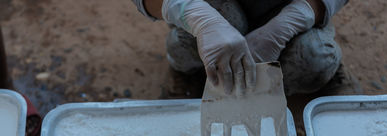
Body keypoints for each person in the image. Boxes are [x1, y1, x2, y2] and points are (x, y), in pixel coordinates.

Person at [131, 0, 347, 96]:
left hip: (285, 6)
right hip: (214, 7)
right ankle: (188, 73)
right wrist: (195, 15)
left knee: (315, 57)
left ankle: (318, 75)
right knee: (186, 47)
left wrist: (298, 16)